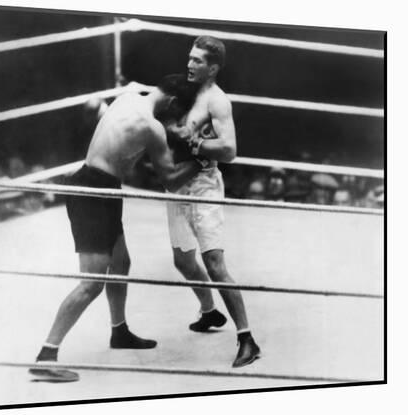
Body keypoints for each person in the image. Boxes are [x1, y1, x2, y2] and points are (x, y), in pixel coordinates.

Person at [30, 74, 202, 381]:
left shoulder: (129, 98)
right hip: (95, 192)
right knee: (91, 283)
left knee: (121, 261)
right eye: (178, 113)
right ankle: (46, 354)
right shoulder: (152, 127)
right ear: (173, 103)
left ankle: (119, 331)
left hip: (100, 186)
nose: (175, 120)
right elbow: (171, 181)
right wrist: (201, 161)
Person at [166, 36, 260, 368]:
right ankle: (209, 312)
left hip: (204, 185)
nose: (190, 64)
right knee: (182, 260)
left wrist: (194, 146)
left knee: (215, 264)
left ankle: (247, 339)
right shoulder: (187, 91)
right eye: (189, 58)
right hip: (178, 185)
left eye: (198, 61)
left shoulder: (217, 101)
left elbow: (230, 151)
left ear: (213, 68)